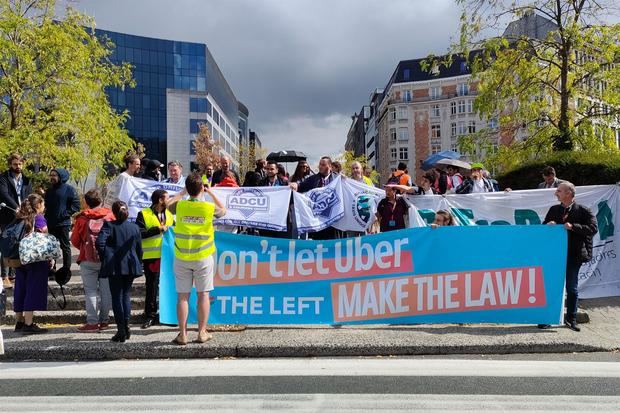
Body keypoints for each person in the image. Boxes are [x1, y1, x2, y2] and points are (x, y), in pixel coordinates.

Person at [167, 172, 226, 345]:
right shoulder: (208, 207)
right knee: (203, 295)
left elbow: (168, 203)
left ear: (187, 188)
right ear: (202, 188)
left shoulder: (180, 206)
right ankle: (201, 332)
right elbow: (223, 210)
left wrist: (182, 192)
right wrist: (211, 192)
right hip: (202, 257)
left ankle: (183, 334)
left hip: (182, 256)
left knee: (183, 297)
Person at [540, 182, 598, 332]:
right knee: (551, 286)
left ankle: (571, 319)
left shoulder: (583, 210)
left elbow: (593, 229)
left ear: (568, 194)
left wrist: (573, 227)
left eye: (559, 191)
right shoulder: (554, 209)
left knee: (571, 288)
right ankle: (547, 318)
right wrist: (548, 225)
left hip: (574, 255)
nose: (555, 193)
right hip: (555, 255)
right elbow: (543, 227)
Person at [96, 201, 143, 343]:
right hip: (130, 263)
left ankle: (121, 330)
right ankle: (126, 326)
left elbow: (99, 243)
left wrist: (107, 256)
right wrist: (138, 261)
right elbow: (139, 248)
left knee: (117, 296)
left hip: (115, 265)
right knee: (126, 295)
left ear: (114, 213)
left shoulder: (109, 225)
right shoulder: (134, 227)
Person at [70, 189, 114, 332]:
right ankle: (105, 321)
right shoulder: (109, 216)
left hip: (87, 259)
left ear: (86, 202)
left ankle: (92, 322)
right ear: (100, 201)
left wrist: (83, 247)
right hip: (106, 258)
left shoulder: (82, 218)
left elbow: (75, 240)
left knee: (90, 291)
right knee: (106, 291)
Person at [12, 194, 50, 334]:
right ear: (38, 205)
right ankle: (29, 323)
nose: (44, 207)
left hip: (20, 257)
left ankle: (19, 321)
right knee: (32, 288)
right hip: (34, 259)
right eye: (43, 204)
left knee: (20, 288)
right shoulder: (38, 218)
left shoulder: (19, 217)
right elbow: (45, 238)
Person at [136, 189, 173, 329]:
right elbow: (139, 233)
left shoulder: (169, 214)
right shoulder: (144, 214)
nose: (169, 201)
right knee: (152, 286)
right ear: (160, 200)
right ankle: (150, 315)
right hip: (152, 257)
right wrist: (157, 229)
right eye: (167, 198)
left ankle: (167, 315)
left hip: (168, 256)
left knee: (167, 286)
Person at [0, 154, 32, 290]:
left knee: (19, 243)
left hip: (23, 215)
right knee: (6, 244)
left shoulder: (26, 180)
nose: (17, 167)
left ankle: (15, 274)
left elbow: (28, 196)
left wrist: (26, 210)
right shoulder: (3, 178)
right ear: (10, 164)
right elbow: (4, 194)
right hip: (8, 214)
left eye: (19, 164)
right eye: (15, 164)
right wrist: (16, 208)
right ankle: (4, 275)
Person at [44, 168, 80, 274]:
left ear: (61, 176)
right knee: (51, 246)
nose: (52, 177)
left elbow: (76, 205)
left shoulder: (69, 189)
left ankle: (66, 269)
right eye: (51, 175)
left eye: (54, 175)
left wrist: (65, 214)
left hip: (63, 223)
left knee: (65, 247)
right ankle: (52, 268)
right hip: (50, 222)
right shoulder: (49, 190)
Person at [293, 156, 338, 240]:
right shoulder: (313, 179)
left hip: (332, 221)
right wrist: (295, 185)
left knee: (332, 245)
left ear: (330, 166)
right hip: (318, 220)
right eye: (320, 164)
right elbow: (300, 186)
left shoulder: (338, 179)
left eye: (323, 164)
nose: (320, 166)